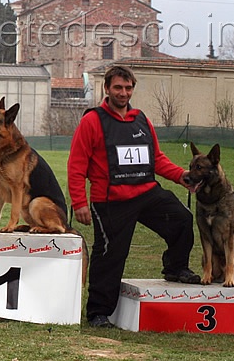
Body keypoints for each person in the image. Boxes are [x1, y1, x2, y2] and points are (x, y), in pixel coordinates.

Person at [67, 65, 200, 328]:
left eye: (128, 88)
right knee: (111, 255)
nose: (124, 93)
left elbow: (156, 159)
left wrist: (180, 176)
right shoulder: (92, 121)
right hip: (110, 201)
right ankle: (98, 313)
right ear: (106, 89)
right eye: (118, 87)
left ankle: (175, 268)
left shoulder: (142, 120)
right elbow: (76, 165)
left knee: (182, 220)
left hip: (147, 194)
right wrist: (79, 202)